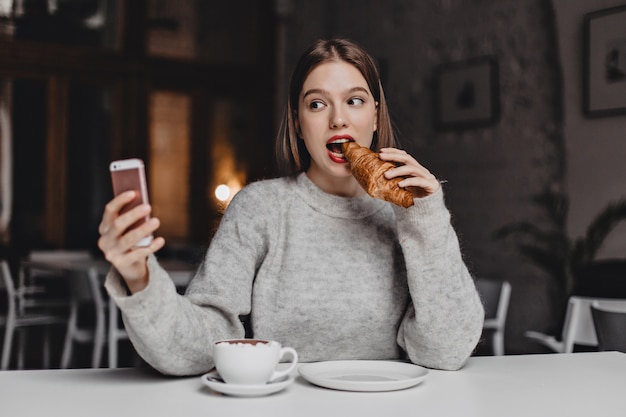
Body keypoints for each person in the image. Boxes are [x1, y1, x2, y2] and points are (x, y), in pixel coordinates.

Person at [98, 38, 484, 376]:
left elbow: (446, 351)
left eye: (354, 100)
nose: (338, 119)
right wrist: (139, 278)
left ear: (376, 114)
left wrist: (428, 218)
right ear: (298, 123)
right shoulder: (261, 208)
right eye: (317, 104)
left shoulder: (405, 218)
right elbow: (200, 347)